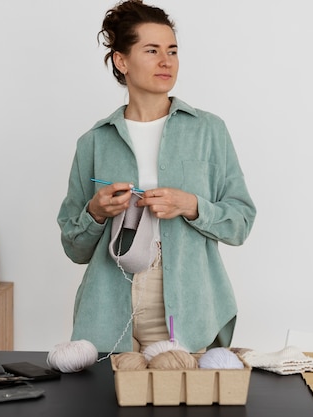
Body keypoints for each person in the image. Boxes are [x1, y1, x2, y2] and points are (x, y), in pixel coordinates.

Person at [57, 0, 256, 354]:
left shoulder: (209, 131)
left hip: (190, 307)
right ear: (122, 61)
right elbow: (74, 247)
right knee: (113, 405)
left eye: (172, 51)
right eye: (152, 50)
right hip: (109, 308)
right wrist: (96, 212)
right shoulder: (94, 142)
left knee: (186, 403)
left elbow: (241, 222)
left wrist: (191, 205)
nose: (166, 61)